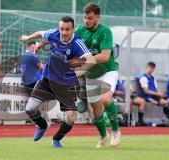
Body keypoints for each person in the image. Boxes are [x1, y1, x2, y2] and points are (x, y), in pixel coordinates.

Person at [20, 16, 95, 148]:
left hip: (67, 85)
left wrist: (82, 69)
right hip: (48, 80)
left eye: (67, 29)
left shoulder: (77, 43)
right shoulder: (54, 34)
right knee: (30, 109)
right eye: (62, 29)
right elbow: (40, 34)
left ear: (73, 29)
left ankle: (56, 139)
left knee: (71, 119)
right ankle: (43, 126)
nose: (64, 32)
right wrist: (29, 40)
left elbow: (91, 60)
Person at [70, 3, 121, 148]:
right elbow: (70, 48)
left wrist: (83, 64)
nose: (86, 21)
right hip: (91, 75)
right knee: (96, 110)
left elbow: (105, 56)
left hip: (107, 71)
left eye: (90, 18)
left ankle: (116, 131)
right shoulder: (79, 31)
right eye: (85, 17)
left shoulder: (105, 32)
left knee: (105, 98)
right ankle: (104, 135)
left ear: (97, 17)